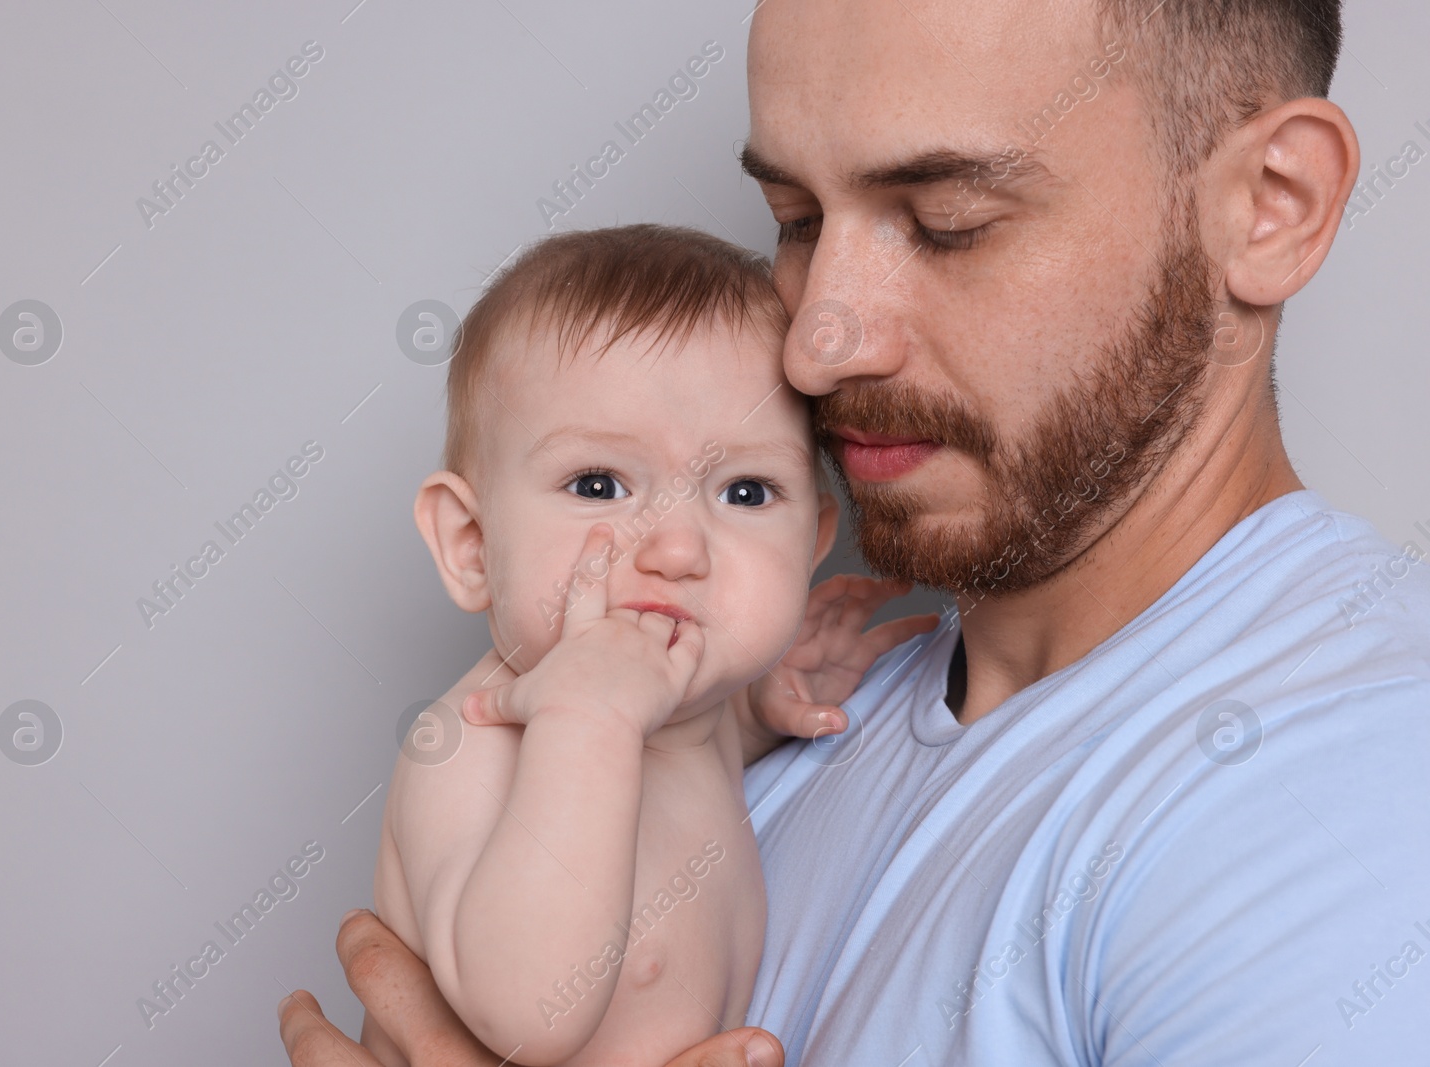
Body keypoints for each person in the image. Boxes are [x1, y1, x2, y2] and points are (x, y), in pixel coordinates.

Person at [281, 0, 1430, 1063]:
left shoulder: (1347, 796)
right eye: (793, 220)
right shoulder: (772, 700)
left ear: (1270, 204)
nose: (814, 345)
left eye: (947, 223)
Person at [362, 224, 936, 1067]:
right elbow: (528, 1013)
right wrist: (587, 720)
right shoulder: (471, 748)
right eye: (598, 484)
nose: (676, 548)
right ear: (472, 545)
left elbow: (676, 765)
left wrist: (758, 702)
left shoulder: (685, 723)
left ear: (811, 544)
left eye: (745, 491)